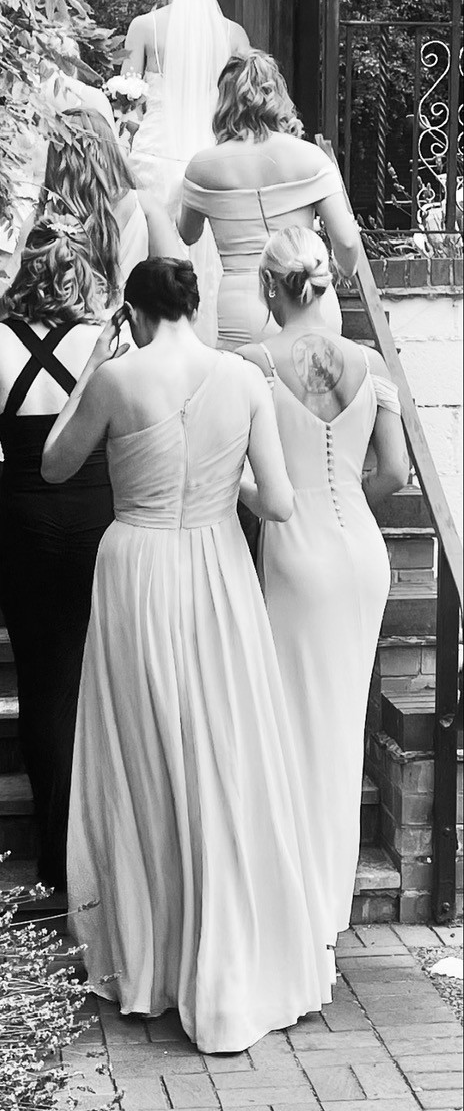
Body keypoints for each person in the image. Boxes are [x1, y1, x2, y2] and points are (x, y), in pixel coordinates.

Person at [42, 257, 333, 1053]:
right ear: (195, 307)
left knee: (141, 757)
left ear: (134, 313)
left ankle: (153, 960)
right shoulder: (242, 380)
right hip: (217, 570)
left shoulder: (116, 378)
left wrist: (91, 368)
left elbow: (55, 464)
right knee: (219, 751)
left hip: (136, 568)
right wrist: (222, 486)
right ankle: (226, 951)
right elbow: (279, 503)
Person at [237, 227, 409, 941]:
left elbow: (237, 471)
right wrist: (345, 506)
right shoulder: (372, 363)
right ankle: (329, 910)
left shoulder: (253, 363)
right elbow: (394, 472)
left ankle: (295, 905)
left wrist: (255, 497)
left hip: (295, 554)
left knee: (292, 730)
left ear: (271, 287)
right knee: (339, 735)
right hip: (362, 557)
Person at [0, 217, 116, 889]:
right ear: (81, 272)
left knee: (41, 686)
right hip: (98, 521)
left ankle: (55, 857)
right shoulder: (105, 345)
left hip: (25, 523)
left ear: (22, 272)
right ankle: (97, 855)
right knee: (93, 683)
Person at [0, 108, 175, 340]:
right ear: (109, 151)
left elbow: (6, 293)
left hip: (59, 348)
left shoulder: (45, 216)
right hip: (121, 345)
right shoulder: (145, 208)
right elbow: (175, 288)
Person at [179, 51, 365, 351]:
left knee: (246, 380)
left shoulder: (201, 167)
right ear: (276, 94)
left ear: (224, 101)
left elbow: (188, 234)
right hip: (310, 300)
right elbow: (346, 241)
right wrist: (345, 270)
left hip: (242, 304)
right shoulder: (310, 157)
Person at [120, 0, 250, 346]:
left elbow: (128, 101)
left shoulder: (144, 27)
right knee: (205, 258)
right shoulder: (233, 35)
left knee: (148, 253)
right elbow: (243, 105)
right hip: (210, 159)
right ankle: (204, 342)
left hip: (155, 156)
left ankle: (144, 342)